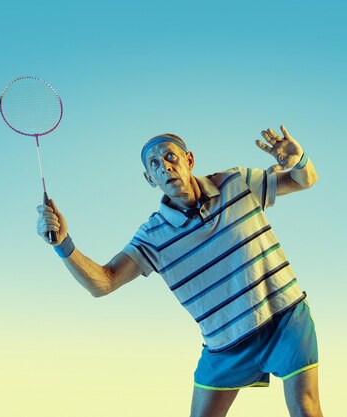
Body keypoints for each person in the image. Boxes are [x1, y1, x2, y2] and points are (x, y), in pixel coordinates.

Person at [36, 126, 323, 417]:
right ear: (150, 179)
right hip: (225, 343)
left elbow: (304, 180)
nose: (165, 167)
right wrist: (63, 244)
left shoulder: (237, 182)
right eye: (155, 165)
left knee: (305, 408)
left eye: (170, 157)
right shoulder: (153, 236)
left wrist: (299, 161)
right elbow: (104, 283)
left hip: (284, 319)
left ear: (190, 159)